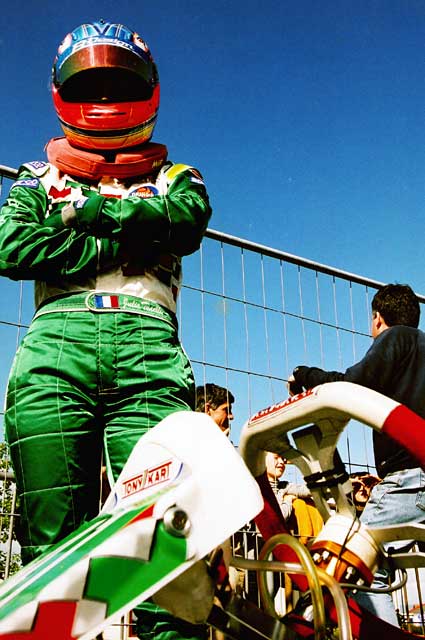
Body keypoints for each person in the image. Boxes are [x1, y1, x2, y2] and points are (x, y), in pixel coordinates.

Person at [0, 20, 211, 640]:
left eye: (118, 84)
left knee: (163, 542)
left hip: (149, 349)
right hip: (55, 348)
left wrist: (84, 212)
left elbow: (186, 220)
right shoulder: (36, 176)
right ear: (62, 92)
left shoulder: (176, 175)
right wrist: (125, 235)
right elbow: (12, 245)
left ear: (147, 89)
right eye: (90, 84)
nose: (104, 96)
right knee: (52, 552)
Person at [289, 283, 425, 626]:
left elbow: (352, 385)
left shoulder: (396, 338)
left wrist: (305, 376)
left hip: (410, 477)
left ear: (377, 319)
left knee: (356, 563)